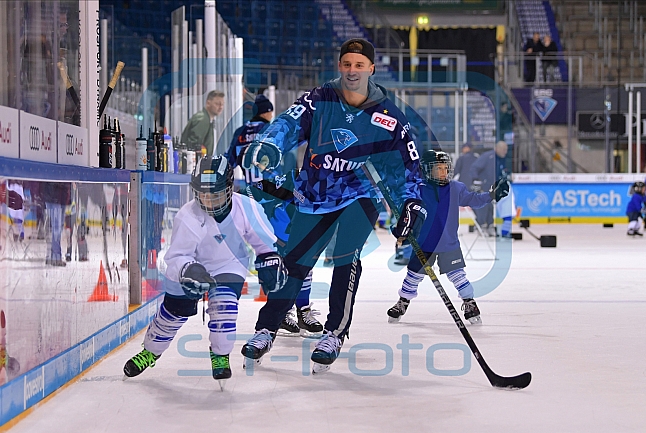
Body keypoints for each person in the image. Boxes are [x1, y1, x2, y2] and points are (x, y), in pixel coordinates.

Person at [239, 38, 425, 373]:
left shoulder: (388, 116)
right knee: (294, 263)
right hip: (314, 195)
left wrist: (410, 202)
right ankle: (266, 329)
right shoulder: (319, 99)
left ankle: (334, 332)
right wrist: (268, 144)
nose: (352, 71)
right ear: (340, 66)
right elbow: (288, 123)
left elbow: (405, 166)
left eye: (359, 65)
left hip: (359, 196)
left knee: (346, 259)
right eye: (347, 64)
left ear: (370, 68)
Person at [123, 155, 282, 388]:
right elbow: (176, 256)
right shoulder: (188, 215)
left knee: (225, 309)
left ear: (229, 189)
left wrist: (270, 258)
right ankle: (151, 351)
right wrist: (188, 269)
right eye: (203, 194)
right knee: (173, 313)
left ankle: (220, 354)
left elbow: (265, 243)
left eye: (215, 194)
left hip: (228, 265)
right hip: (191, 267)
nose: (208, 200)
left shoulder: (247, 207)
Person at [227, 95, 324, 337]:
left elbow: (229, 162)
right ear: (268, 112)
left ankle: (288, 312)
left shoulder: (240, 132)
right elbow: (287, 164)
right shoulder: (273, 129)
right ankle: (298, 310)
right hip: (279, 198)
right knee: (297, 253)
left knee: (270, 256)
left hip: (252, 199)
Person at [387, 150, 509, 324]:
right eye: (438, 169)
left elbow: (473, 199)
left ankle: (469, 302)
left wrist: (491, 196)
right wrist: (401, 231)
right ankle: (403, 301)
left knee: (458, 275)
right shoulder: (418, 189)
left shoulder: (456, 188)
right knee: (413, 275)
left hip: (448, 244)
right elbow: (406, 210)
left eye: (445, 168)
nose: (443, 172)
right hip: (424, 243)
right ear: (427, 170)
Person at [469, 141, 510, 236]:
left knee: (490, 206)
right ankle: (482, 225)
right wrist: (476, 181)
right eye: (504, 149)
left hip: (491, 188)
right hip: (482, 186)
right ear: (497, 148)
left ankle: (490, 225)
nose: (505, 152)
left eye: (506, 150)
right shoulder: (487, 156)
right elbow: (474, 168)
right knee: (483, 206)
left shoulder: (500, 159)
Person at [180, 90, 225, 157]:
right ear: (208, 103)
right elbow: (193, 146)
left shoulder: (207, 119)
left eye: (222, 104)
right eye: (217, 104)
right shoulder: (203, 119)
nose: (220, 107)